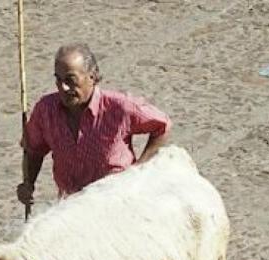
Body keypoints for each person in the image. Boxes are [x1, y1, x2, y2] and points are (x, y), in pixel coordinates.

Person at [17, 43, 171, 207]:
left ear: (92, 76)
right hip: (70, 206)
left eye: (70, 80)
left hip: (117, 204)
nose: (63, 87)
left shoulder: (120, 107)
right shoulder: (46, 109)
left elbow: (162, 125)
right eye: (58, 79)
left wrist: (140, 169)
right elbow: (33, 149)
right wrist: (28, 184)